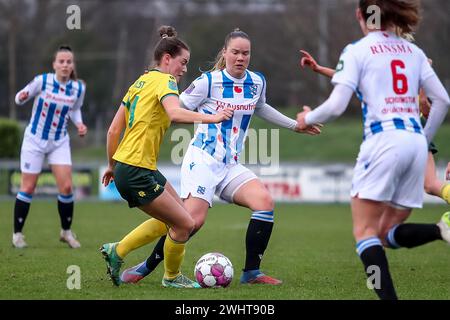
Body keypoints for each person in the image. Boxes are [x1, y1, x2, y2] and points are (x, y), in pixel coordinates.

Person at [119, 28, 321, 286]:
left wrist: (295, 125)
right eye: (235, 52)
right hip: (202, 159)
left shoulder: (257, 81)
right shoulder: (208, 82)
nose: (240, 58)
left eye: (245, 53)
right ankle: (146, 267)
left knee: (264, 202)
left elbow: (261, 107)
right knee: (191, 222)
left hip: (230, 164)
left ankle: (252, 273)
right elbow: (175, 108)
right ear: (225, 53)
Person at [296, 0, 450, 299]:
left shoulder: (358, 50)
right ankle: (441, 230)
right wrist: (421, 137)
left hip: (383, 142)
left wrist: (307, 118)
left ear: (360, 14)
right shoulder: (413, 52)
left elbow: (337, 104)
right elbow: (442, 101)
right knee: (384, 234)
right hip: (415, 144)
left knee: (365, 233)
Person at [100, 26, 233, 288]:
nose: (185, 69)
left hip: (136, 167)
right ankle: (171, 278)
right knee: (184, 223)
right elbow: (174, 113)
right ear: (167, 58)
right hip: (136, 169)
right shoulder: (165, 81)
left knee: (178, 216)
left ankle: (118, 250)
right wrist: (213, 117)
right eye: (183, 62)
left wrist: (112, 165)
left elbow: (114, 129)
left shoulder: (140, 82)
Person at [299, 52, 450, 205]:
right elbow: (426, 100)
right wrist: (319, 69)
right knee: (430, 184)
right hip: (415, 127)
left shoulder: (380, 57)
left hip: (391, 131)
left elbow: (349, 82)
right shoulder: (411, 58)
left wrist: (423, 99)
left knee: (376, 194)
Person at [13, 45, 88, 249]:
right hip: (34, 139)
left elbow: (75, 109)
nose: (65, 65)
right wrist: (21, 97)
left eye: (69, 62)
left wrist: (79, 124)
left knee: (66, 187)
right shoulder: (42, 81)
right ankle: (17, 234)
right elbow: (21, 97)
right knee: (28, 187)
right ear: (54, 64)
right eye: (61, 61)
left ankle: (66, 232)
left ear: (72, 65)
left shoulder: (78, 88)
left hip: (59, 141)